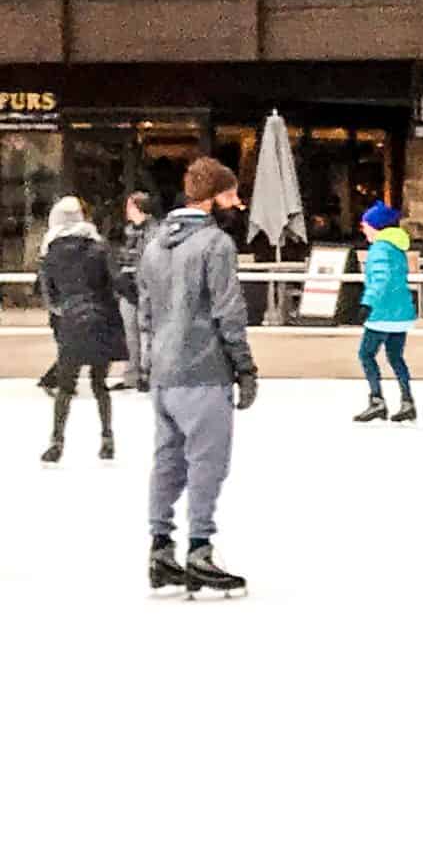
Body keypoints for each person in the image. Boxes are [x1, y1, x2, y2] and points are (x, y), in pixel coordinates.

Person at [136, 156, 256, 597]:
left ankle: (160, 547)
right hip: (204, 369)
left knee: (167, 461)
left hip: (165, 373)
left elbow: (146, 311)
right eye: (231, 195)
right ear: (211, 198)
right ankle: (200, 548)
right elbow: (228, 309)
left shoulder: (153, 244)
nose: (237, 203)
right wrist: (244, 366)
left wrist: (149, 363)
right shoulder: (215, 244)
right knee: (208, 462)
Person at [37, 195, 125, 464]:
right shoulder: (99, 247)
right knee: (100, 385)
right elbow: (117, 280)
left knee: (65, 386)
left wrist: (63, 310)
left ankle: (57, 442)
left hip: (72, 323)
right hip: (101, 320)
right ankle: (107, 438)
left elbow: (48, 293)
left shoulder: (50, 252)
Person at [351, 201, 417, 424]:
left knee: (366, 354)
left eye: (365, 225)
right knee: (396, 357)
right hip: (401, 314)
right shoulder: (397, 247)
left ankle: (377, 400)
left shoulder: (380, 248)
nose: (363, 229)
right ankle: (407, 401)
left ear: (375, 226)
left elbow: (381, 279)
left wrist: (367, 304)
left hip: (382, 314)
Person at [110, 189, 157, 390]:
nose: (127, 211)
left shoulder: (154, 232)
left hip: (147, 289)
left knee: (147, 333)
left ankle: (148, 374)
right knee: (130, 334)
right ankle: (132, 375)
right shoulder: (127, 232)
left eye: (130, 206)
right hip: (128, 289)